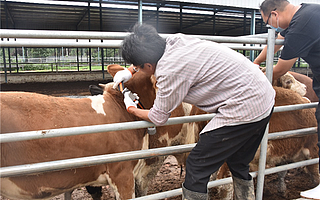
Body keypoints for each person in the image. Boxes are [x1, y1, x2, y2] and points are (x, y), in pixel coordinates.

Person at [114, 23, 275, 200]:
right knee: (239, 161)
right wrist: (129, 71)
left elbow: (158, 117)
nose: (136, 70)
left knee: (197, 164)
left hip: (245, 106)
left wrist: (132, 108)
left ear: (148, 65)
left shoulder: (169, 72)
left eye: (137, 67)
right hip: (264, 96)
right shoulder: (175, 40)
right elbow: (149, 60)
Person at [254, 0, 320, 199]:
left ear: (274, 15)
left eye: (268, 22)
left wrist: (258, 73)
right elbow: (274, 45)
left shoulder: (301, 27)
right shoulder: (306, 12)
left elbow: (281, 69)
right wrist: (255, 62)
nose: (272, 27)